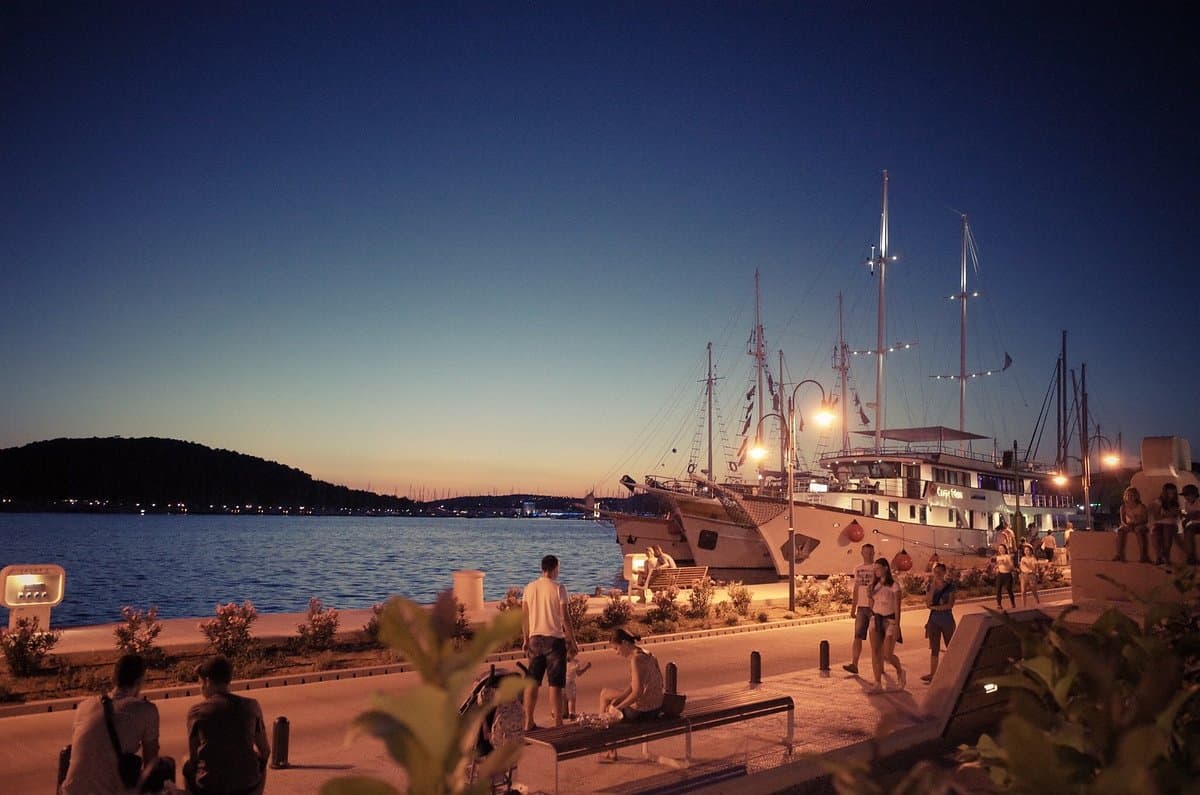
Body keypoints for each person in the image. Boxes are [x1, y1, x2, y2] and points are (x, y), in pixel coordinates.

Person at [61, 654, 161, 794]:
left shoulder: (84, 706)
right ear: (139, 681)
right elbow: (151, 763)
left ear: (114, 679)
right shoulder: (146, 710)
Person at [184, 655, 270, 795]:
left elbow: (194, 758)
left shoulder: (196, 712)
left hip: (210, 787)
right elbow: (265, 751)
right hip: (247, 785)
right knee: (258, 761)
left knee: (186, 762)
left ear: (207, 681)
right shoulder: (251, 706)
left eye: (200, 683)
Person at [521, 554, 578, 730]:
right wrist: (572, 640)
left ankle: (528, 721)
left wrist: (525, 638)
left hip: (535, 639)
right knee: (555, 683)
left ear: (542, 568)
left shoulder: (529, 588)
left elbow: (524, 617)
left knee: (532, 682)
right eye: (558, 568)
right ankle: (558, 723)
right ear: (554, 568)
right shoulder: (559, 588)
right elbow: (565, 618)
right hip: (554, 640)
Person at [598, 628, 664, 722]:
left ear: (625, 643)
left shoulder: (636, 660)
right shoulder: (649, 654)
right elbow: (636, 685)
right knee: (611, 699)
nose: (617, 653)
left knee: (605, 694)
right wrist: (618, 701)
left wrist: (619, 708)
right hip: (657, 707)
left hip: (643, 712)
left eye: (616, 648)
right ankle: (603, 720)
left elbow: (637, 692)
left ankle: (602, 723)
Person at [867, 557, 905, 694]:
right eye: (874, 569)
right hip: (876, 619)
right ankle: (877, 682)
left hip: (889, 621)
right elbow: (871, 605)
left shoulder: (894, 586)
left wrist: (897, 626)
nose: (876, 571)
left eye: (878, 568)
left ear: (885, 568)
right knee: (875, 651)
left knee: (887, 654)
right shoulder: (874, 586)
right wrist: (869, 596)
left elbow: (897, 608)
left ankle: (900, 672)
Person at [842, 543, 875, 676]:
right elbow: (856, 588)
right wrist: (853, 607)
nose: (868, 554)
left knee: (876, 640)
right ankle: (854, 664)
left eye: (870, 552)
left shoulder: (876, 568)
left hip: (875, 608)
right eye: (866, 552)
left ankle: (879, 666)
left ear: (874, 552)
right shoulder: (857, 569)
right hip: (861, 607)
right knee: (857, 636)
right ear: (862, 553)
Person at [922, 563, 956, 684]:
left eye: (939, 571)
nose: (937, 574)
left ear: (944, 572)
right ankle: (932, 674)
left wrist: (936, 608)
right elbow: (928, 604)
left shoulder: (950, 587)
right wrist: (932, 588)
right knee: (934, 648)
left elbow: (950, 605)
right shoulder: (930, 586)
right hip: (934, 621)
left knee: (950, 647)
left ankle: (954, 672)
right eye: (935, 571)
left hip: (946, 620)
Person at [1114, 486, 1150, 563]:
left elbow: (1145, 520)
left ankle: (1143, 555)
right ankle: (1119, 554)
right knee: (1120, 531)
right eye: (1128, 495)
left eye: (1132, 495)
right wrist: (1127, 525)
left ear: (1136, 496)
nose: (1129, 497)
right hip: (1129, 525)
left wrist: (1138, 522)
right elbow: (1122, 520)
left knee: (1139, 531)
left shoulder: (1141, 506)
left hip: (1140, 524)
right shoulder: (1123, 507)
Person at [1149, 483, 1182, 565]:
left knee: (1167, 532)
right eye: (1169, 493)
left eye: (1173, 493)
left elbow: (1177, 516)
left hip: (1171, 524)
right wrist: (1165, 514)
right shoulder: (1158, 502)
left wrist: (1177, 513)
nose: (1171, 495)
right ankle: (1159, 556)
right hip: (1159, 523)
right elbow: (1156, 517)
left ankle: (1165, 556)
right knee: (1155, 533)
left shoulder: (1176, 502)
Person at [563, 649, 592, 720]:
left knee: (563, 698)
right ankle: (571, 713)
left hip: (562, 682)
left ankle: (561, 712)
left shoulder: (562, 662)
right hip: (570, 682)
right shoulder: (576, 663)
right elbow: (579, 673)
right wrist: (587, 667)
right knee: (571, 699)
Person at [1182, 484, 1200, 565]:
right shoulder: (1187, 504)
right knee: (1187, 532)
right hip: (1193, 525)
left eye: (1187, 495)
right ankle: (1190, 556)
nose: (1185, 497)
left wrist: (1190, 516)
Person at [1019, 543, 1041, 607]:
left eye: (1028, 550)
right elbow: (1022, 567)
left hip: (1031, 576)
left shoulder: (1033, 559)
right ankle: (1023, 605)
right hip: (1024, 575)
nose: (1026, 552)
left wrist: (1036, 573)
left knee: (1033, 590)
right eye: (1025, 550)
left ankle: (1037, 601)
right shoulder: (1023, 558)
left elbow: (1035, 568)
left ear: (1031, 551)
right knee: (1023, 591)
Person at [995, 544, 1015, 609]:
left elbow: (1012, 566)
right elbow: (998, 565)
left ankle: (1013, 603)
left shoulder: (1008, 557)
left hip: (1007, 575)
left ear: (1005, 549)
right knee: (998, 589)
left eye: (1002, 548)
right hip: (1000, 574)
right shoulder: (998, 557)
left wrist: (1006, 564)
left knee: (1009, 589)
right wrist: (997, 568)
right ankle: (999, 604)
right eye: (999, 548)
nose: (1001, 550)